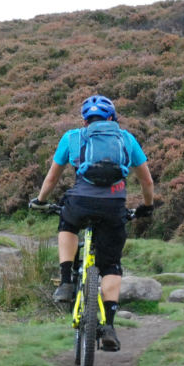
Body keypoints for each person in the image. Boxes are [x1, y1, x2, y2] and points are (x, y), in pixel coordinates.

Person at [30, 94, 155, 352]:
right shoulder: (126, 139)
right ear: (112, 117)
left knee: (67, 223)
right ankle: (108, 325)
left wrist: (41, 200)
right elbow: (147, 182)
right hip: (113, 207)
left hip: (80, 202)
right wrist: (147, 206)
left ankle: (66, 281)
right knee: (111, 265)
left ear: (84, 119)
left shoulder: (72, 137)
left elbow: (52, 178)